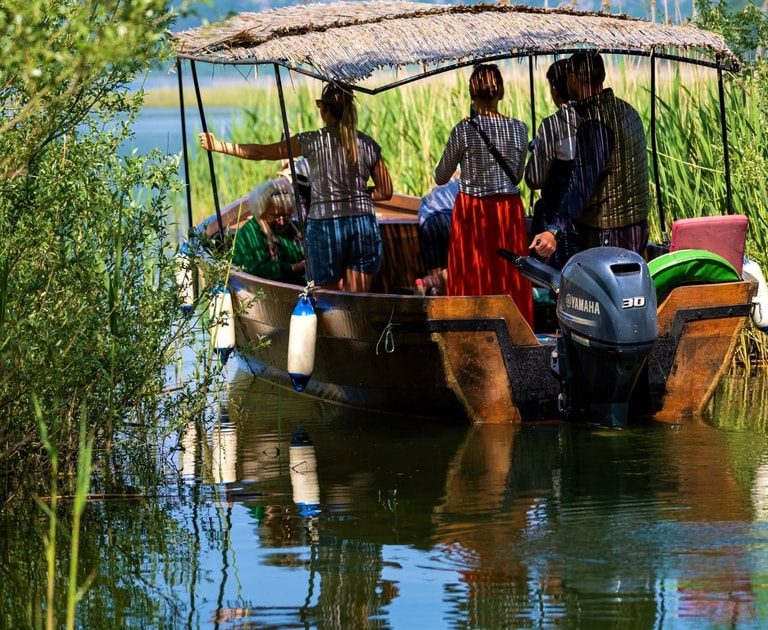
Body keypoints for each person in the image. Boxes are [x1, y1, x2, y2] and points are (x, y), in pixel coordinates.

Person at [200, 82, 392, 292]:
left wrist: (219, 146)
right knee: (358, 297)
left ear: (324, 108)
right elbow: (385, 191)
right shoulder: (368, 144)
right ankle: (356, 324)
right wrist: (357, 195)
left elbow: (261, 152)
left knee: (327, 296)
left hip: (326, 224)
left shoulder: (311, 141)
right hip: (362, 223)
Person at [434, 63, 532, 326]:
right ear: (500, 93)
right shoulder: (520, 129)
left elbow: (441, 176)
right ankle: (516, 328)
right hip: (508, 210)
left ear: (471, 94)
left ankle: (470, 329)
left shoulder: (464, 130)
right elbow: (518, 175)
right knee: (509, 273)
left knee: (472, 272)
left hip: (473, 211)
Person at [530, 52, 649, 262]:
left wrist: (553, 230)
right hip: (636, 226)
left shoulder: (595, 123)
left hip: (610, 229)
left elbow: (581, 187)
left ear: (573, 78)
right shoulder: (627, 110)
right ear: (602, 75)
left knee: (603, 293)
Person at [524, 59, 579, 270]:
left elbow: (535, 179)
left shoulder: (551, 126)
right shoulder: (593, 117)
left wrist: (536, 151)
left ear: (555, 88)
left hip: (556, 217)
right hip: (586, 219)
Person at [231, 177, 305, 284]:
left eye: (287, 215)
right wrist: (296, 267)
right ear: (262, 211)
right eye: (276, 215)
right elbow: (259, 271)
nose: (282, 222)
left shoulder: (295, 228)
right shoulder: (250, 235)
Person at [416, 174, 459, 295]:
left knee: (434, 276)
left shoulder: (434, 191)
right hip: (448, 217)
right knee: (451, 270)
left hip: (428, 222)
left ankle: (425, 283)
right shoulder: (461, 185)